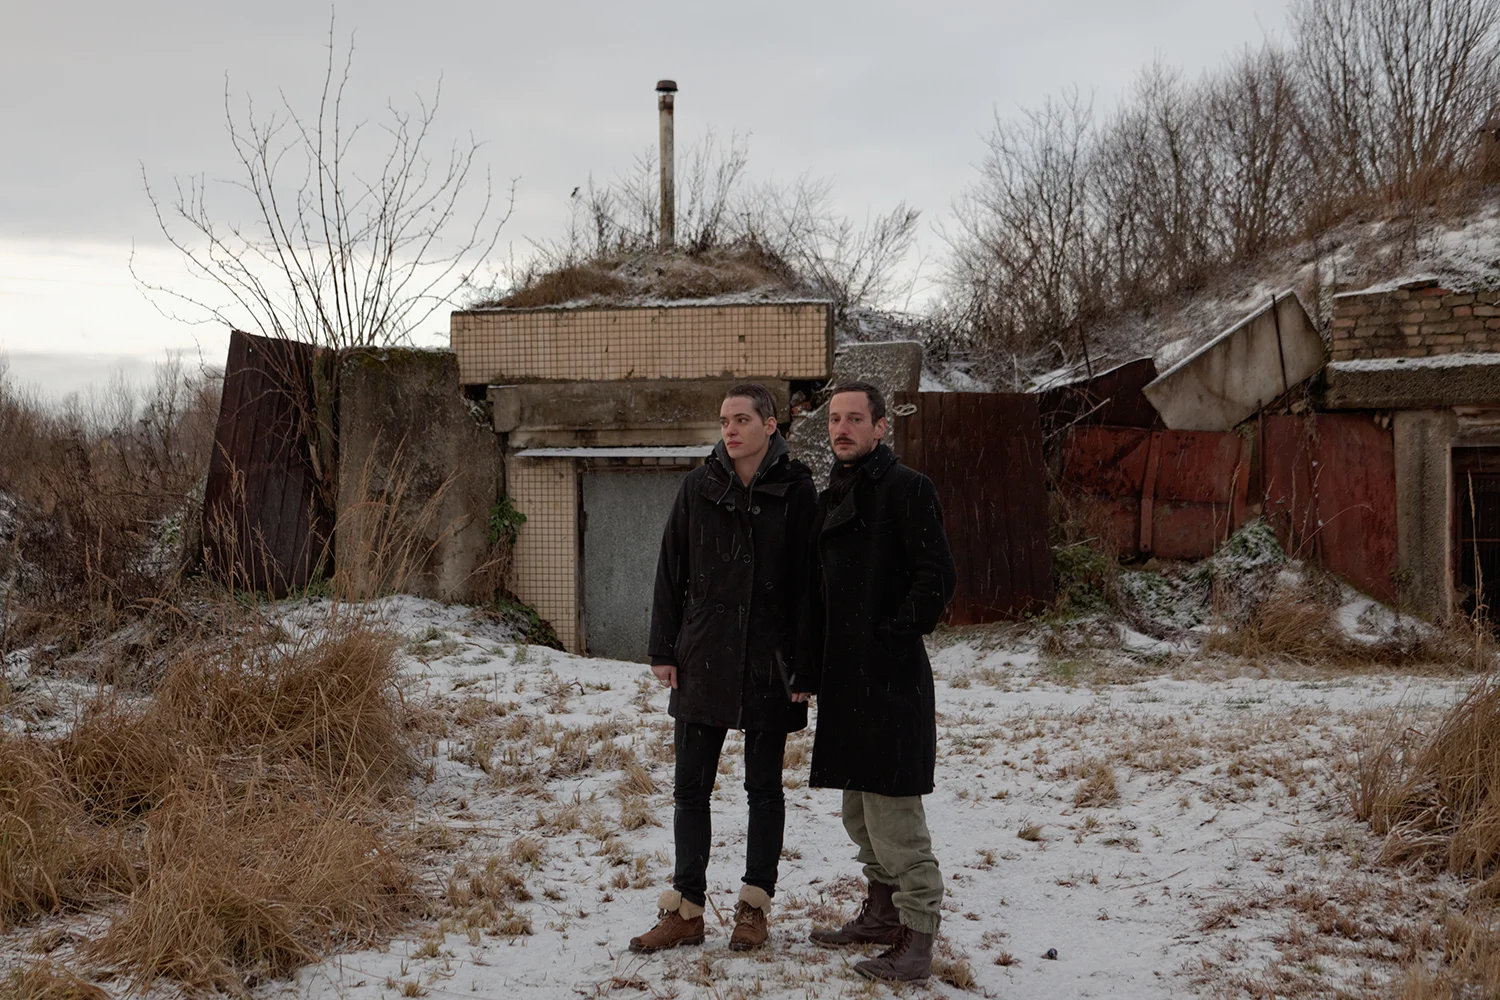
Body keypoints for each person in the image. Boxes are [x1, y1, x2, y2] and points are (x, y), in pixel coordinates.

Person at [629, 383, 818, 955]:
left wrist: (806, 667)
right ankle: (686, 910)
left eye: (741, 419)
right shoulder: (699, 486)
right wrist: (664, 648)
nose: (730, 430)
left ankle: (754, 907)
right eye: (723, 420)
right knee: (690, 789)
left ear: (771, 425)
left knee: (763, 789)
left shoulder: (797, 490)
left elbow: (812, 587)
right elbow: (671, 568)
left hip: (771, 662)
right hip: (703, 654)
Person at [792, 380, 957, 983]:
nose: (843, 428)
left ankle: (916, 939)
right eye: (836, 419)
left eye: (856, 418)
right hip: (844, 681)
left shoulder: (909, 489)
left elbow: (937, 579)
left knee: (894, 816)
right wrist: (810, 668)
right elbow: (817, 591)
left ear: (881, 426)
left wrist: (886, 640)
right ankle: (882, 914)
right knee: (859, 814)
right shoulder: (830, 492)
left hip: (887, 679)